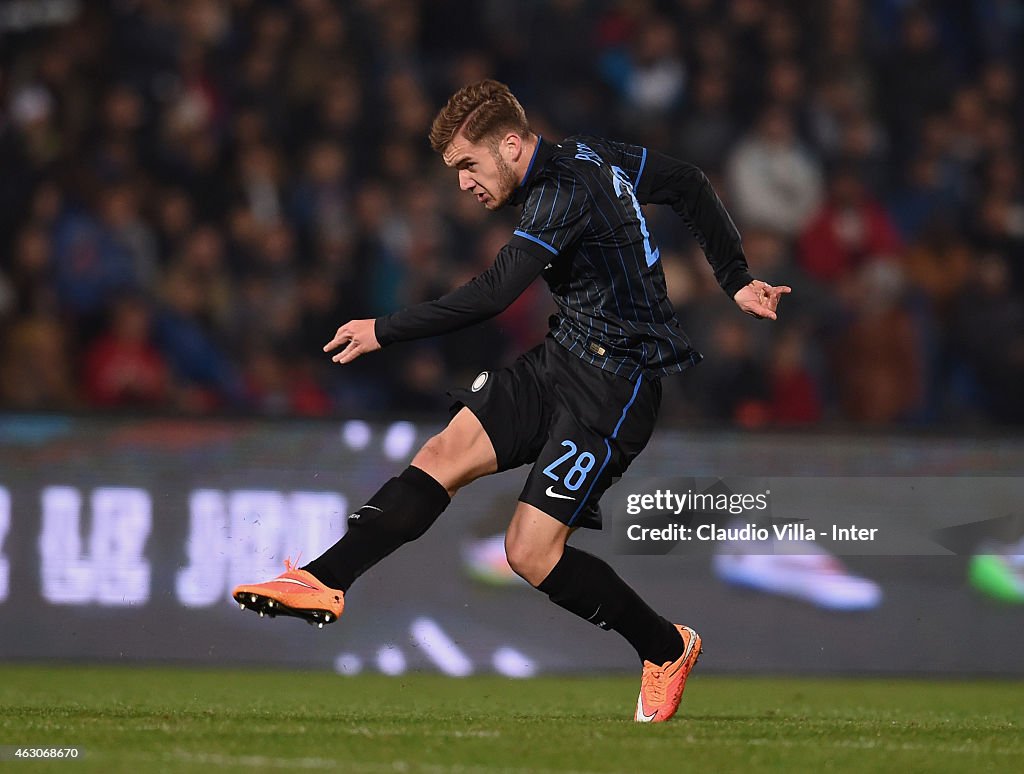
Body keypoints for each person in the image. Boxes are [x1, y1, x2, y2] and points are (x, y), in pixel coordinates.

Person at [233, 80, 790, 723]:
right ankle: (324, 579)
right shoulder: (592, 155)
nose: (464, 184)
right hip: (562, 358)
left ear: (510, 143)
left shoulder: (560, 193)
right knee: (444, 451)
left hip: (616, 389)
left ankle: (666, 648)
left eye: (468, 165)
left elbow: (495, 293)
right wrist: (737, 279)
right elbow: (688, 182)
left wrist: (381, 330)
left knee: (528, 553)